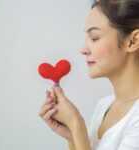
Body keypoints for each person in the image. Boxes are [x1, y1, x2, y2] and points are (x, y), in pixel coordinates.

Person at [38, 0, 139, 149]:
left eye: (95, 38)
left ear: (133, 41)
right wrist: (72, 136)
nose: (83, 49)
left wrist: (76, 124)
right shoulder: (104, 106)